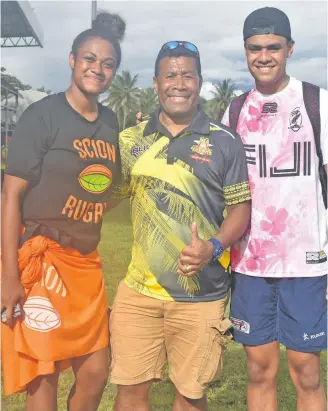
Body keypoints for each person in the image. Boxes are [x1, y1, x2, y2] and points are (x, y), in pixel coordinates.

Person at [109, 41, 252, 411]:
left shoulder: (225, 142)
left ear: (200, 82)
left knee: (190, 395)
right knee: (129, 393)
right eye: (170, 75)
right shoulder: (130, 141)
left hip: (201, 297)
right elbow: (109, 197)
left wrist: (213, 247)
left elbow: (240, 209)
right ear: (156, 83)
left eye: (187, 75)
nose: (179, 83)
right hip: (138, 293)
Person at [1, 12, 125, 411]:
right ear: (72, 60)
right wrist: (9, 277)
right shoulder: (43, 115)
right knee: (45, 374)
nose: (98, 69)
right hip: (42, 260)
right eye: (89, 59)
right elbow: (11, 197)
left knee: (94, 373)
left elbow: (108, 186)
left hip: (86, 266)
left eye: (107, 64)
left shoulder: (110, 122)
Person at [220, 7, 328, 411]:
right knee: (259, 369)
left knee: (306, 371)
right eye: (254, 48)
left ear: (290, 49)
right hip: (250, 264)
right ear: (245, 51)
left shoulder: (318, 103)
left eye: (273, 47)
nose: (263, 56)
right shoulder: (233, 111)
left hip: (308, 263)